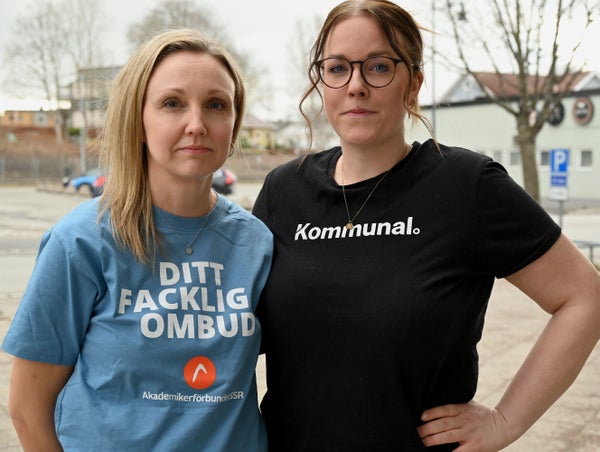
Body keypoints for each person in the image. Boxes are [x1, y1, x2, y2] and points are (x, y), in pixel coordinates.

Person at [252, 1, 600, 450]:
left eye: (379, 66)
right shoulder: (284, 190)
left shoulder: (467, 185)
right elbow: (233, 327)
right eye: (337, 68)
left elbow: (585, 297)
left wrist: (505, 421)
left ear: (414, 84)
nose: (356, 86)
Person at [2, 28, 272, 451]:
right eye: (172, 103)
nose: (197, 124)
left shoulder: (257, 243)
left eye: (216, 105)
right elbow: (27, 408)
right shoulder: (81, 241)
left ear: (234, 124)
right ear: (138, 121)